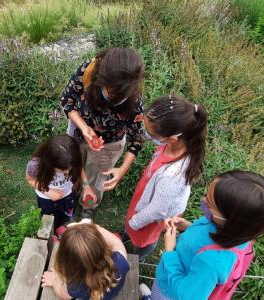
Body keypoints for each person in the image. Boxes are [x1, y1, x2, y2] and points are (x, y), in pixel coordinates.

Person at [151, 170, 264, 300]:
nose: (203, 200)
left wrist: (169, 252)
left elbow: (185, 296)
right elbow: (206, 239)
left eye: (210, 204)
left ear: (231, 221)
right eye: (206, 196)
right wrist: (187, 226)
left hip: (168, 292)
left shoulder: (212, 262)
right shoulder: (231, 230)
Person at [60, 47, 145, 217]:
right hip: (79, 131)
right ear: (101, 79)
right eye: (111, 92)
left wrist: (122, 170)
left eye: (120, 96)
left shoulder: (134, 104)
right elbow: (67, 102)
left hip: (109, 144)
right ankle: (72, 193)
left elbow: (136, 140)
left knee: (96, 179)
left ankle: (87, 208)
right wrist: (84, 128)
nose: (114, 98)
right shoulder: (88, 71)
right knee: (74, 165)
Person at [123, 95, 208, 261]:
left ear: (172, 138)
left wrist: (134, 223)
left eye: (150, 133)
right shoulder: (173, 145)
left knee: (143, 240)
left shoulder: (173, 177)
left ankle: (137, 258)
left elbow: (156, 210)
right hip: (147, 200)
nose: (146, 135)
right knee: (133, 227)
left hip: (150, 216)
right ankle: (128, 234)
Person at [41, 223, 130, 300]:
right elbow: (117, 242)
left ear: (66, 263)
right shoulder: (119, 261)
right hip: (112, 292)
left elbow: (62, 295)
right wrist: (96, 228)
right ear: (102, 244)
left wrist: (55, 280)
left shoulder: (75, 286)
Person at [26, 135, 96, 229]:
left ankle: (65, 222)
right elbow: (30, 179)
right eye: (62, 170)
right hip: (47, 199)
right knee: (50, 221)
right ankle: (54, 231)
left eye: (70, 169)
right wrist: (48, 191)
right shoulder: (35, 165)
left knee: (67, 214)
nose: (68, 172)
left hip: (68, 194)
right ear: (50, 162)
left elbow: (79, 169)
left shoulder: (72, 158)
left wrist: (87, 186)